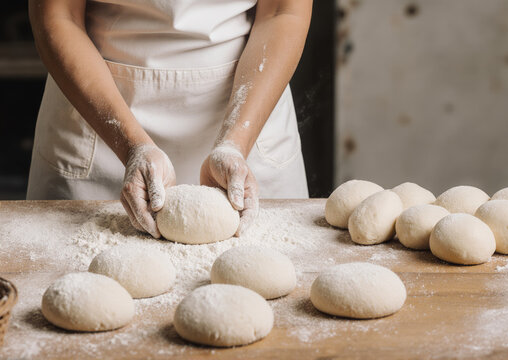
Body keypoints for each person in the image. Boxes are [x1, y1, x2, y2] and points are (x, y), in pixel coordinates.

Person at [26, 0, 312, 238]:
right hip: (97, 114)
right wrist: (132, 146)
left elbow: (283, 12)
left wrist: (236, 143)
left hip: (250, 109)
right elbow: (58, 16)